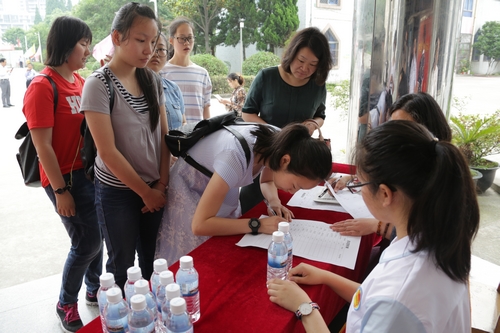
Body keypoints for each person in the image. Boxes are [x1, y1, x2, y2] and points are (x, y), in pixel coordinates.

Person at [268, 120, 479, 332]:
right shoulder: (430, 235)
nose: (358, 189)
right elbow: (373, 299)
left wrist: (305, 307)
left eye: (359, 184)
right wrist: (326, 277)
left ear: (386, 194)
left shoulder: (399, 300)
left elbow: (389, 303)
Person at [80, 2, 170, 291]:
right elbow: (107, 152)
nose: (149, 50)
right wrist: (146, 193)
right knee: (121, 269)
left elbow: (165, 138)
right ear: (117, 38)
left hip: (154, 187)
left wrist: (161, 186)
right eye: (141, 40)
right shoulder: (98, 84)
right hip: (117, 193)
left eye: (153, 41)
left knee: (153, 263)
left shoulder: (153, 80)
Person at [23, 16, 103, 332]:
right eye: (83, 43)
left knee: (96, 237)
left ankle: (95, 287)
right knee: (86, 242)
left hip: (89, 174)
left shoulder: (81, 83)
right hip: (64, 180)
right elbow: (42, 146)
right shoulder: (43, 86)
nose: (88, 50)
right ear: (66, 45)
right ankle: (66, 302)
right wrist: (60, 191)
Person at [156, 123, 332, 265]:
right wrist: (258, 225)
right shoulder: (235, 156)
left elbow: (267, 180)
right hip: (191, 188)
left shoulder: (281, 143)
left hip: (221, 186)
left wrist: (274, 201)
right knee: (196, 261)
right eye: (295, 185)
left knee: (226, 243)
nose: (293, 192)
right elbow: (200, 225)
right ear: (285, 160)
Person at [329, 92, 452, 238]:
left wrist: (377, 225)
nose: (393, 134)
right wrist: (351, 177)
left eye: (404, 128)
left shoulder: (440, 175)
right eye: (392, 126)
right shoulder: (415, 160)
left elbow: (423, 235)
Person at [240, 27, 333, 213]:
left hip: (296, 165)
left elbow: (320, 116)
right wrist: (276, 134)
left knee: (292, 213)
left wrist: (313, 124)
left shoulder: (317, 86)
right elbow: (247, 114)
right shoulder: (267, 77)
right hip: (265, 154)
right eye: (301, 60)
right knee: (254, 209)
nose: (305, 68)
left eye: (313, 64)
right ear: (291, 54)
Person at [161, 17, 211, 123]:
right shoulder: (162, 72)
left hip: (198, 136)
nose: (186, 42)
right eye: (182, 38)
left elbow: (206, 110)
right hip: (173, 136)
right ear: (171, 40)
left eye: (190, 38)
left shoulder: (202, 74)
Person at [147, 32, 186, 130]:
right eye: (152, 47)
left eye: (161, 49)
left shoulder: (174, 88)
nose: (156, 54)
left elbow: (183, 121)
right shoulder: (131, 89)